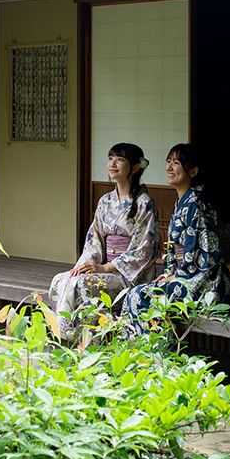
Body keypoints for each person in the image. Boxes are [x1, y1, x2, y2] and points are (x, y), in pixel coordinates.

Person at [48, 143, 159, 341]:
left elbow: (144, 249)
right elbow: (94, 239)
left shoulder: (144, 203)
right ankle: (69, 335)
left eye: (120, 159)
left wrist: (106, 268)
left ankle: (95, 339)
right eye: (110, 158)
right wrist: (86, 265)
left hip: (127, 274)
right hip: (104, 266)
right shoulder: (105, 201)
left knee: (84, 285)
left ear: (135, 167)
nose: (112, 164)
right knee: (61, 279)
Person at [120, 143, 230, 338]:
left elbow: (204, 253)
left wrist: (177, 276)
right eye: (168, 161)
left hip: (205, 284)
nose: (169, 167)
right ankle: (140, 353)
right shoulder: (182, 201)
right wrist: (169, 274)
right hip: (184, 276)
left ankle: (160, 354)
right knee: (134, 294)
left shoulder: (196, 204)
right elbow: (174, 250)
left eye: (177, 163)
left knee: (140, 296)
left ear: (194, 171)